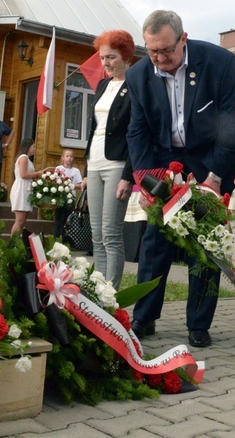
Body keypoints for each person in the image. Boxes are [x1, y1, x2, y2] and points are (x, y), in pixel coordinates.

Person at [126, 10, 235, 348]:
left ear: (184, 39)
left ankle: (198, 324)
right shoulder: (138, 75)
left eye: (166, 50)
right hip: (165, 163)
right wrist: (145, 179)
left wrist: (215, 178)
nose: (160, 58)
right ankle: (144, 317)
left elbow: (232, 126)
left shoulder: (219, 62)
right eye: (153, 52)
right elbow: (137, 130)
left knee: (205, 245)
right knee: (154, 242)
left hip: (209, 159)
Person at [84, 30, 135, 289]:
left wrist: (129, 175)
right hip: (94, 163)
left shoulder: (134, 85)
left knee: (111, 233)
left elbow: (136, 133)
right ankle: (96, 288)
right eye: (103, 58)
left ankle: (110, 293)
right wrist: (85, 167)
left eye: (111, 57)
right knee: (96, 234)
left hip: (116, 164)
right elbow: (94, 128)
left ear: (126, 56)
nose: (106, 63)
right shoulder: (103, 85)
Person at [9, 138, 42, 235]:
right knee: (19, 220)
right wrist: (38, 173)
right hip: (21, 189)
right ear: (27, 147)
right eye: (33, 146)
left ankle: (16, 242)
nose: (35, 149)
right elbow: (23, 175)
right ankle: (13, 244)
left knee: (22, 221)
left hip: (26, 188)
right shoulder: (23, 158)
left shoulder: (27, 159)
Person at [53, 149, 83, 239]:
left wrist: (70, 185)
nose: (69, 158)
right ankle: (56, 239)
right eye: (67, 156)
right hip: (60, 198)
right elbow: (55, 181)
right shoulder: (59, 169)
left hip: (71, 198)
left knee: (68, 219)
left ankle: (66, 240)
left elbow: (80, 184)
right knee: (58, 219)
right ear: (62, 158)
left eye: (71, 156)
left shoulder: (76, 171)